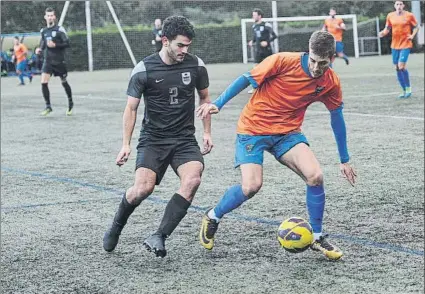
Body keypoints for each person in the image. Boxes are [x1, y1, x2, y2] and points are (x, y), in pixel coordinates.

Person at [196, 31, 357, 261]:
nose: (315, 68)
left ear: (331, 58)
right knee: (251, 186)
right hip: (253, 129)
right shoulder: (283, 61)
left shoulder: (330, 82)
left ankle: (318, 237)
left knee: (316, 176)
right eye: (312, 60)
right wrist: (218, 104)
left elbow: (337, 119)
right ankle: (213, 216)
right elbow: (245, 79)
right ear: (307, 52)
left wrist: (344, 159)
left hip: (288, 133)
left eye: (322, 63)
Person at [103, 15, 213, 258]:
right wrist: (125, 144)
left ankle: (159, 235)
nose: (185, 50)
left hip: (184, 139)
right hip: (153, 140)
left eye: (188, 46)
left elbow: (205, 98)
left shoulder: (196, 66)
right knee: (142, 189)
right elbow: (131, 108)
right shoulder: (144, 69)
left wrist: (206, 131)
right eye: (180, 45)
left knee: (193, 179)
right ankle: (117, 226)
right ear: (165, 41)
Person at [36, 7, 73, 116]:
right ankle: (48, 106)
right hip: (48, 61)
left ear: (54, 17)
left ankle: (70, 102)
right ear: (45, 17)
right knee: (43, 82)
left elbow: (68, 43)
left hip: (59, 61)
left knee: (64, 82)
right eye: (48, 15)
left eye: (52, 15)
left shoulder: (59, 30)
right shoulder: (43, 31)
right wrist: (39, 49)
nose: (50, 17)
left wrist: (56, 45)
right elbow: (43, 44)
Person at [379, 1, 419, 99]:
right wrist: (382, 33)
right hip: (395, 45)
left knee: (401, 66)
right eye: (397, 4)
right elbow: (387, 28)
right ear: (394, 6)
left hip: (406, 44)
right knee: (397, 68)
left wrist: (412, 35)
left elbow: (416, 27)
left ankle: (408, 89)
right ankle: (404, 90)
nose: (399, 6)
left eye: (401, 4)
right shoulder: (390, 16)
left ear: (403, 6)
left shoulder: (409, 15)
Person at [247, 8, 277, 94]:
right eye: (253, 15)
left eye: (254, 15)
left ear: (259, 16)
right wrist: (252, 41)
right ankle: (255, 87)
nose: (253, 17)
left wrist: (267, 42)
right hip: (258, 51)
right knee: (256, 69)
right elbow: (255, 37)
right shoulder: (254, 26)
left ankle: (273, 86)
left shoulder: (266, 25)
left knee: (270, 68)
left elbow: (274, 36)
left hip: (267, 51)